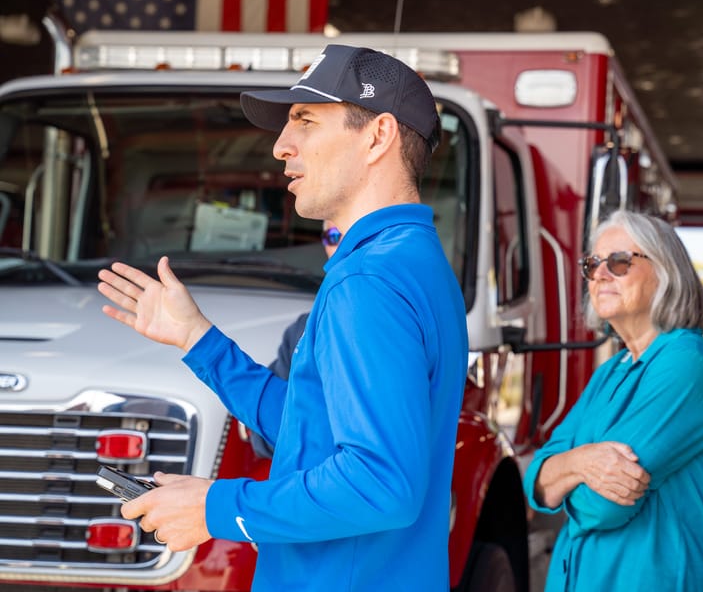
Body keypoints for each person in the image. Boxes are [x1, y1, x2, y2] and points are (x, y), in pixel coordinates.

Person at [96, 44, 468, 591]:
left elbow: (379, 484)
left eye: (306, 121)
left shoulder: (368, 282)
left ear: (379, 136)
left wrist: (213, 507)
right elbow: (310, 431)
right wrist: (197, 339)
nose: (281, 146)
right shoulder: (411, 262)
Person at [523, 210, 703, 591]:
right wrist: (580, 462)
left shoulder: (688, 363)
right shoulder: (612, 371)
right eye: (592, 264)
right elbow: (535, 484)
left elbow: (601, 507)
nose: (600, 274)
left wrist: (564, 477)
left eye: (620, 262)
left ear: (666, 272)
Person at [249, 220, 341, 459]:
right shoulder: (302, 331)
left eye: (355, 233)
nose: (343, 246)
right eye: (332, 236)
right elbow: (275, 431)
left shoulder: (402, 326)